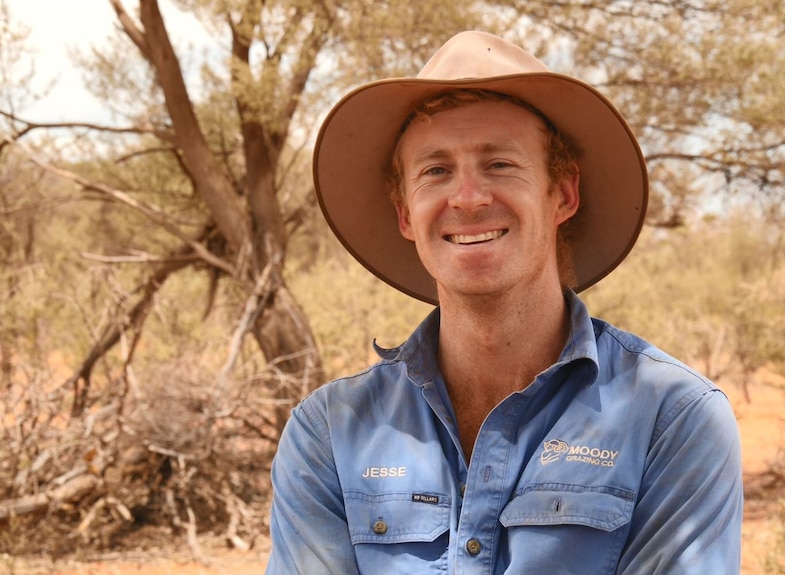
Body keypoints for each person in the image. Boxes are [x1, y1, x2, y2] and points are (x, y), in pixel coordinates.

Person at [266, 30, 743, 574]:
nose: (468, 197)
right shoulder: (330, 431)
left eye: (499, 165)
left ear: (562, 194)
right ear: (405, 214)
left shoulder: (671, 418)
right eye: (435, 171)